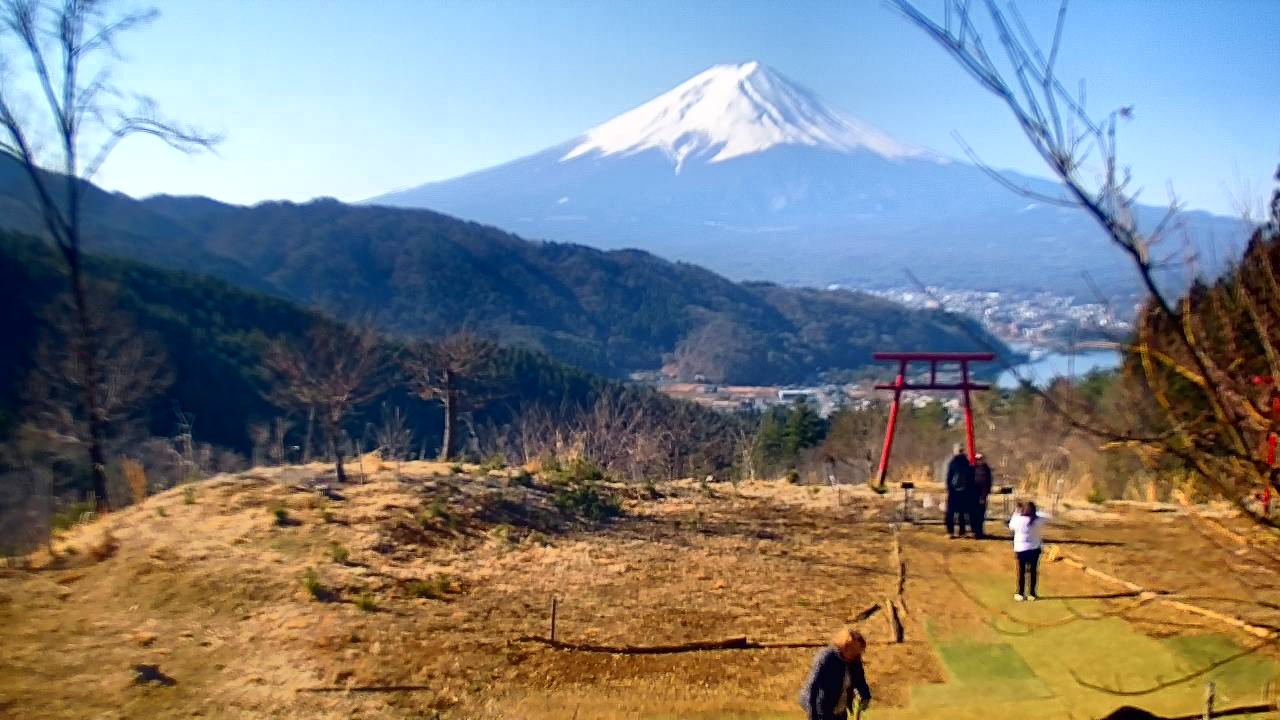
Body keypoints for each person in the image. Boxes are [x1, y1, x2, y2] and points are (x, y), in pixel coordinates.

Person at [799, 627, 872, 720]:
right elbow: (814, 687)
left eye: (858, 652)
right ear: (845, 645)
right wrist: (812, 715)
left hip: (840, 707)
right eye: (853, 650)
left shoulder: (855, 661)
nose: (856, 654)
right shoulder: (826, 658)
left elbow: (860, 680)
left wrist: (865, 696)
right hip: (821, 705)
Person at [1008, 500, 1049, 601]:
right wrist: (1034, 512)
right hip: (1035, 549)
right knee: (1033, 571)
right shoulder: (1039, 520)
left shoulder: (1018, 519)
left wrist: (1017, 510)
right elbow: (1046, 515)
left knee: (1021, 572)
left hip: (1021, 549)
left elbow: (1011, 525)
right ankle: (1032, 594)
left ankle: (1020, 593)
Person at [944, 443, 974, 538]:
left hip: (953, 491)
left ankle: (950, 532)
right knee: (962, 512)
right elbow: (971, 478)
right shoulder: (967, 462)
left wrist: (949, 488)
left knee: (951, 513)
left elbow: (949, 477)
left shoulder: (952, 462)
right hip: (965, 491)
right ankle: (962, 531)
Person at [971, 453, 993, 539]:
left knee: (980, 515)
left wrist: (984, 497)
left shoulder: (986, 470)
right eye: (977, 459)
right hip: (973, 496)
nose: (978, 460)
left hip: (981, 497)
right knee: (973, 514)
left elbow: (987, 485)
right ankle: (974, 531)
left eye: (980, 459)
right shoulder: (973, 469)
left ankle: (979, 532)